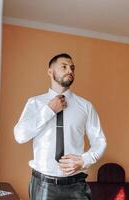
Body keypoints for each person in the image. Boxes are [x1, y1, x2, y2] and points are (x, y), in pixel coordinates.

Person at [13, 53, 107, 200]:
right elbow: (20, 136)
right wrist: (49, 110)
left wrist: (84, 160)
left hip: (76, 186)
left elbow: (100, 140)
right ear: (50, 72)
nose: (70, 70)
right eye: (64, 67)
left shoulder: (86, 106)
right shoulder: (35, 103)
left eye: (72, 68)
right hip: (43, 185)